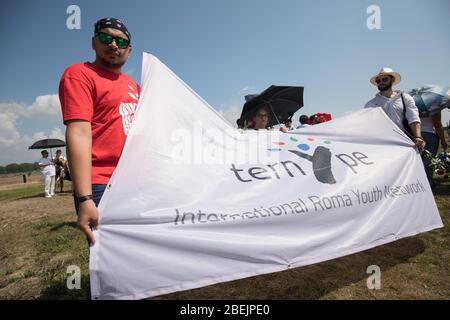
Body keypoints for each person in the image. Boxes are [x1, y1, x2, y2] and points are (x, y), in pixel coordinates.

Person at [59, 17, 139, 245]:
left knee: (137, 252)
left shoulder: (134, 85)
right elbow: (79, 133)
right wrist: (84, 198)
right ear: (94, 42)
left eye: (121, 42)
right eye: (106, 37)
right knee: (110, 255)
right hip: (100, 183)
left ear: (129, 51)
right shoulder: (80, 74)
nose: (114, 45)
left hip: (134, 178)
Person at [364, 67, 425, 149]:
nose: (381, 82)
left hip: (404, 142)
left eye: (385, 79)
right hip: (382, 144)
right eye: (378, 81)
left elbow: (413, 118)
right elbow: (368, 126)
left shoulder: (405, 98)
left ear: (392, 80)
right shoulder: (371, 104)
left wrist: (418, 137)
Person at [420, 111, 448, 188]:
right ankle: (428, 183)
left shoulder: (415, 104)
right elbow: (437, 125)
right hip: (430, 134)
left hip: (417, 134)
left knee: (419, 160)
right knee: (429, 160)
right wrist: (443, 140)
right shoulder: (435, 106)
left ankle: (419, 181)